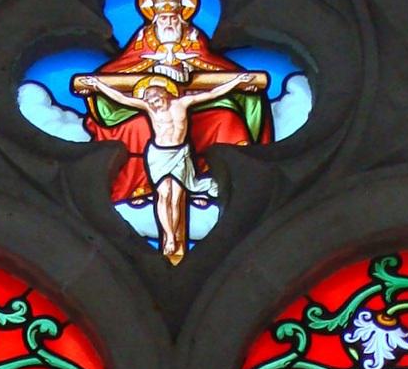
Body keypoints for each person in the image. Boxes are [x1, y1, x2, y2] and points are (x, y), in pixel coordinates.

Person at [71, 0, 273, 214]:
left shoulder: (193, 38)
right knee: (137, 128)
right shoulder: (142, 39)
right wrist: (101, 83)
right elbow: (123, 70)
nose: (169, 23)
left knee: (227, 120)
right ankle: (143, 185)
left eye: (174, 17)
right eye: (163, 17)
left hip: (195, 107)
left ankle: (212, 183)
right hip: (150, 107)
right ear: (153, 17)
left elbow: (212, 67)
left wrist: (229, 79)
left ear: (183, 17)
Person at [74, 70, 268, 265]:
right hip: (158, 154)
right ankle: (168, 238)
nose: (152, 102)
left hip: (180, 154)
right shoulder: (149, 108)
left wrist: (235, 82)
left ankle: (175, 238)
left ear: (165, 94)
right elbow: (121, 98)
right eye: (148, 99)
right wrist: (98, 85)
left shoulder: (181, 104)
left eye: (154, 97)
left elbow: (211, 94)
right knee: (163, 195)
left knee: (175, 197)